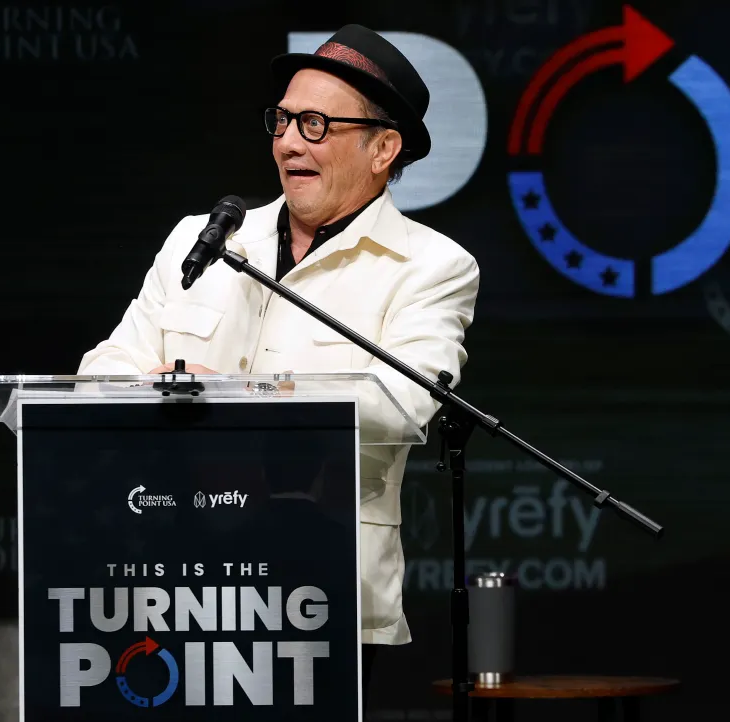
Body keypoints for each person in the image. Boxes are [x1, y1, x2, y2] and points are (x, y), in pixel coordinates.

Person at [77, 24, 480, 712]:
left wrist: (221, 398)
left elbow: (402, 407)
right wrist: (153, 390)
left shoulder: (432, 267)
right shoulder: (204, 238)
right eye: (284, 120)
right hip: (167, 578)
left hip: (317, 593)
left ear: (383, 149)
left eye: (317, 124)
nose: (290, 142)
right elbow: (98, 375)